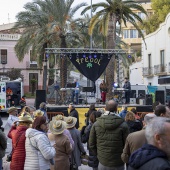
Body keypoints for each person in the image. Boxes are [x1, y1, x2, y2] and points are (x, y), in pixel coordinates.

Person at [89, 100, 129, 170]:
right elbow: (127, 144)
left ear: (105, 108)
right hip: (118, 162)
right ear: (117, 109)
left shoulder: (96, 124)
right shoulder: (123, 125)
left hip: (103, 162)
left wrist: (99, 155)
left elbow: (91, 144)